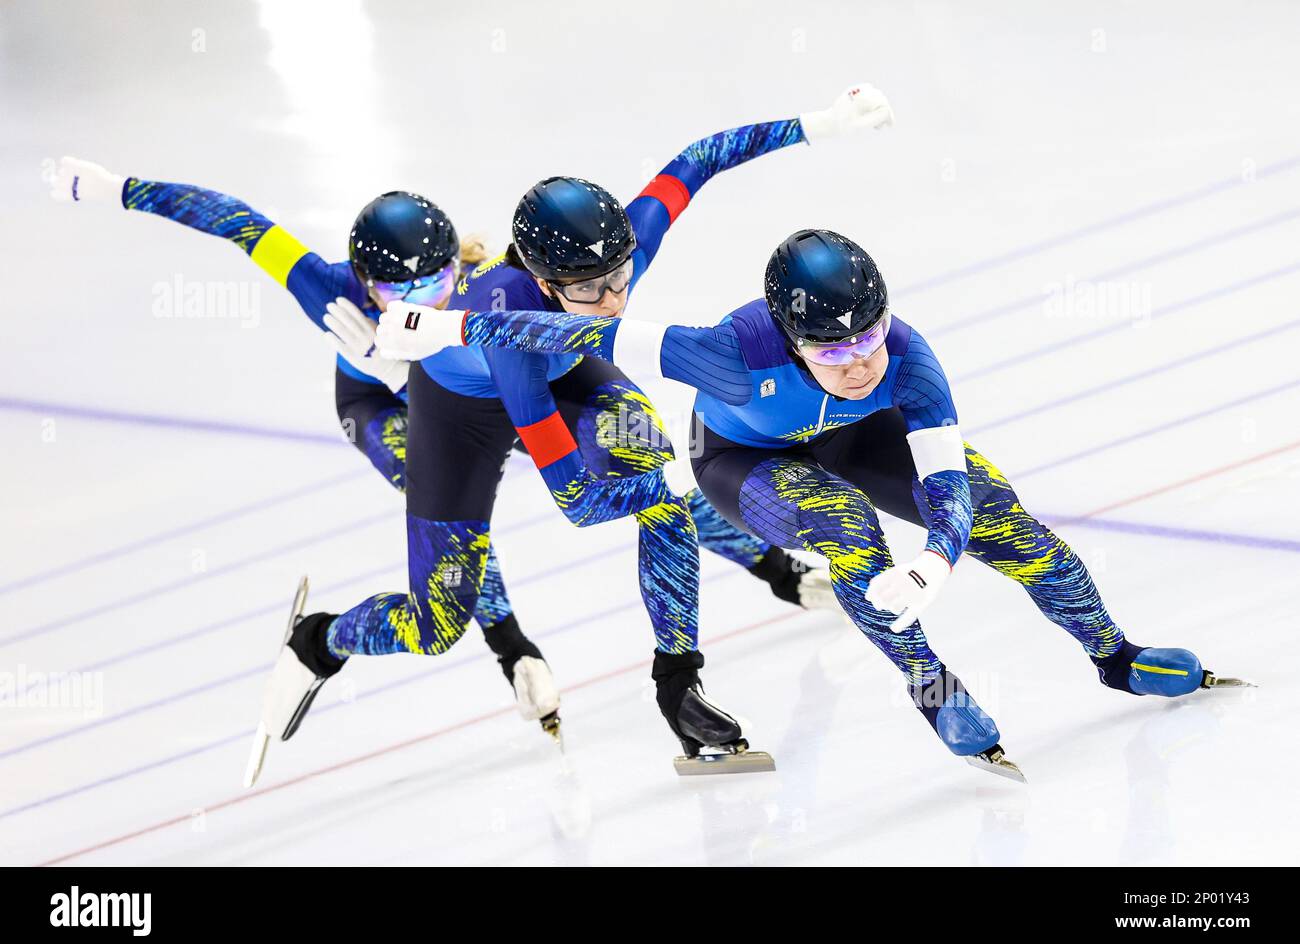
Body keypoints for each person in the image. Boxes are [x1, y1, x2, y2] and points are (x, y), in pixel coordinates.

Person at [381, 227, 1253, 781]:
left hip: (860, 441)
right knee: (849, 533)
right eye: (832, 349)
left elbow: (949, 484)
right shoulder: (723, 354)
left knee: (1006, 523)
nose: (858, 360)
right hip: (744, 458)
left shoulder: (909, 362)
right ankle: (931, 684)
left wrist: (939, 558)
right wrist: (444, 327)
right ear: (790, 341)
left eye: (870, 334)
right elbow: (569, 330)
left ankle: (1114, 653)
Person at [255, 85, 898, 781]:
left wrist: (819, 124)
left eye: (621, 276)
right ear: (541, 279)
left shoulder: (614, 261)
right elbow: (579, 502)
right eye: (590, 290)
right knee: (438, 622)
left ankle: (680, 689)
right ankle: (319, 642)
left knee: (650, 468)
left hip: (568, 365)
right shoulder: (504, 320)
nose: (615, 300)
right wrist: (673, 481)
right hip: (460, 410)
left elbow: (701, 159)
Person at [49, 162, 566, 739]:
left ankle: (513, 647)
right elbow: (237, 223)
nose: (421, 299)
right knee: (448, 506)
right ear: (364, 281)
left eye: (437, 281)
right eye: (400, 290)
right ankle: (500, 646)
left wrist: (408, 368)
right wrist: (118, 190)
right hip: (373, 403)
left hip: (437, 392)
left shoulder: (482, 286)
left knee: (479, 493)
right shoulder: (325, 283)